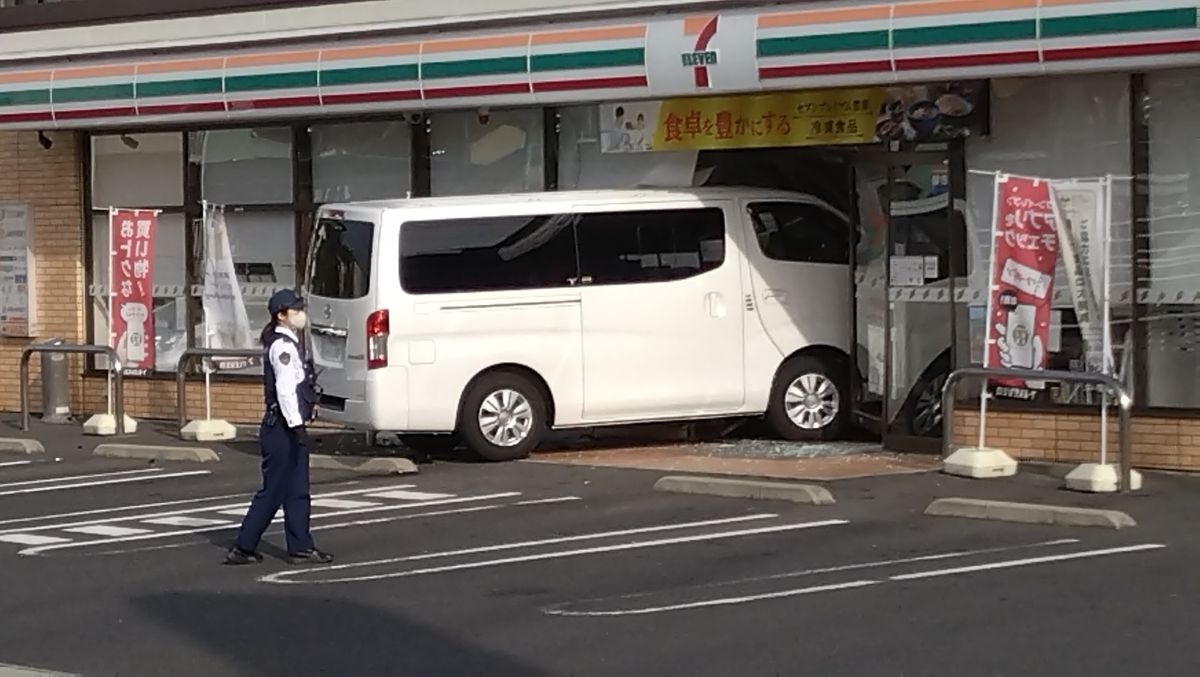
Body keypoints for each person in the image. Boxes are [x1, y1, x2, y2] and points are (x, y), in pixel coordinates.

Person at [225, 289, 333, 566]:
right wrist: (297, 427)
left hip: (286, 426)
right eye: (295, 310)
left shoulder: (290, 342)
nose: (301, 314)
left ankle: (300, 546)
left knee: (298, 488)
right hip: (281, 428)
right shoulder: (282, 347)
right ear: (281, 316)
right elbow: (285, 391)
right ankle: (243, 546)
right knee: (274, 490)